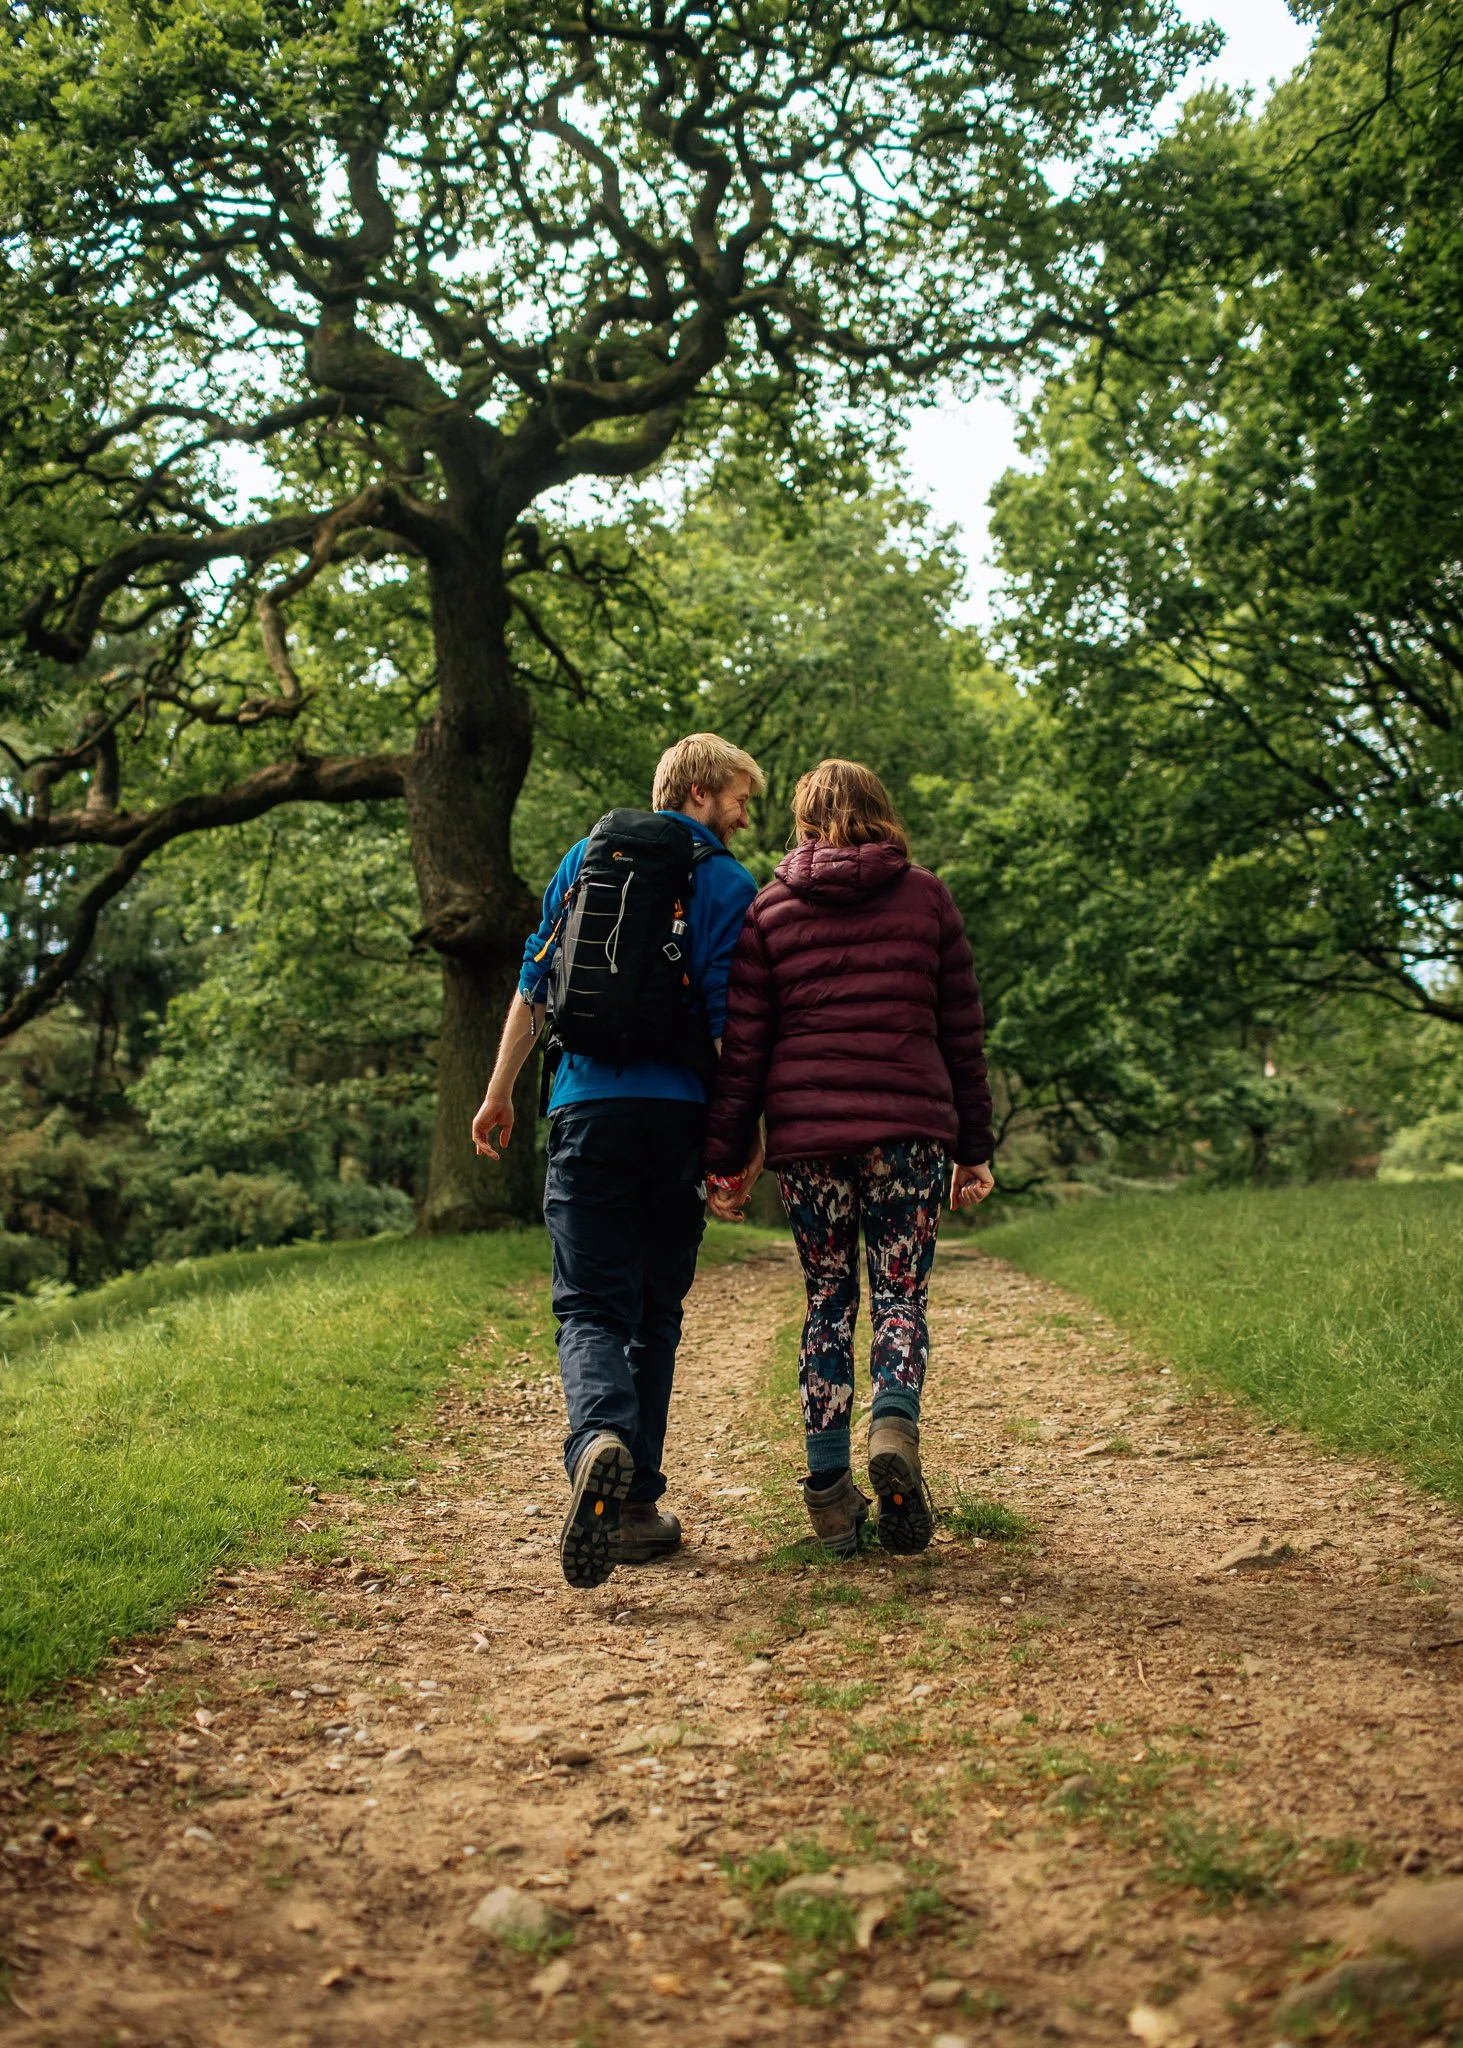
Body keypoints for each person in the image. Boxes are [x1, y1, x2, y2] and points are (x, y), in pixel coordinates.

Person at [471, 735, 762, 1590]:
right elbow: (725, 1023)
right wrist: (742, 1143)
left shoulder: (585, 859)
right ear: (703, 791)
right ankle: (633, 1505)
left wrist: (498, 1093)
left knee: (588, 1307)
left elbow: (536, 981)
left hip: (582, 1109)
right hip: (673, 1120)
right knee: (654, 1314)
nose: (746, 817)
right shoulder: (727, 882)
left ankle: (594, 1438)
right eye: (741, 799)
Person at [702, 758, 995, 1557]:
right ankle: (892, 1427)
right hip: (908, 1133)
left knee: (828, 1301)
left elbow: (745, 1055)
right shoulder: (926, 896)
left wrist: (725, 1159)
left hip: (809, 1143)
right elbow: (959, 1033)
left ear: (803, 823)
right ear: (879, 814)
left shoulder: (769, 910)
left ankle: (830, 1495)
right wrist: (974, 1148)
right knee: (899, 1295)